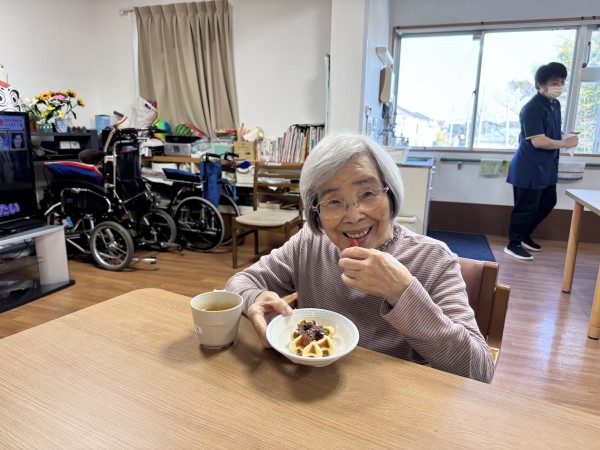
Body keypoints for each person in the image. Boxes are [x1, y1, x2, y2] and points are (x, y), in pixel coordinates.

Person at [225, 132, 495, 383]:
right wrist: (255, 298)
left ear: (390, 192)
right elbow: (240, 283)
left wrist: (403, 293)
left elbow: (480, 371)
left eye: (367, 194)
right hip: (313, 388)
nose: (354, 216)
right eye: (333, 201)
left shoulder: (433, 259)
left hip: (399, 403)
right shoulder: (309, 243)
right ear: (316, 211)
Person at [505, 62, 579, 261]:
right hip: (529, 167)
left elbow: (548, 131)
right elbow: (538, 141)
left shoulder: (555, 104)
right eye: (555, 82)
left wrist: (565, 136)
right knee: (526, 208)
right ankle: (513, 243)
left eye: (562, 82)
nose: (559, 86)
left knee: (548, 201)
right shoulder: (532, 108)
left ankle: (524, 235)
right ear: (540, 84)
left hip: (546, 167)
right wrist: (564, 143)